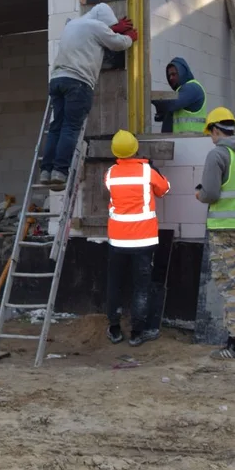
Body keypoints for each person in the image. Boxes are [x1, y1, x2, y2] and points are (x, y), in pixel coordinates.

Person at [40, 3, 137, 190]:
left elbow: (92, 35)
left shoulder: (72, 24)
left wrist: (113, 29)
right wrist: (129, 38)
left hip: (57, 80)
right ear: (103, 21)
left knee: (56, 127)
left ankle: (46, 170)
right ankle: (60, 171)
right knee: (70, 127)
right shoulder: (97, 26)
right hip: (78, 83)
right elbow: (117, 44)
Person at [194, 106, 235, 359]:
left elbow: (210, 193)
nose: (211, 138)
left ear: (215, 129)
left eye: (210, 133)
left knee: (228, 284)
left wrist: (199, 194)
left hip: (224, 229)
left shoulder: (218, 154)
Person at [104, 129, 170, 346]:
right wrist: (152, 168)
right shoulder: (146, 171)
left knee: (115, 283)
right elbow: (164, 189)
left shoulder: (110, 173)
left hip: (118, 240)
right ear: (135, 149)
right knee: (141, 286)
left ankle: (114, 328)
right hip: (144, 240)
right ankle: (137, 333)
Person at [151, 58, 207, 134]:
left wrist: (152, 97)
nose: (171, 78)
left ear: (182, 72)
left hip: (191, 141)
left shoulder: (192, 87)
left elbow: (173, 103)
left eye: (174, 74)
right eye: (169, 75)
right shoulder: (181, 90)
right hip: (183, 141)